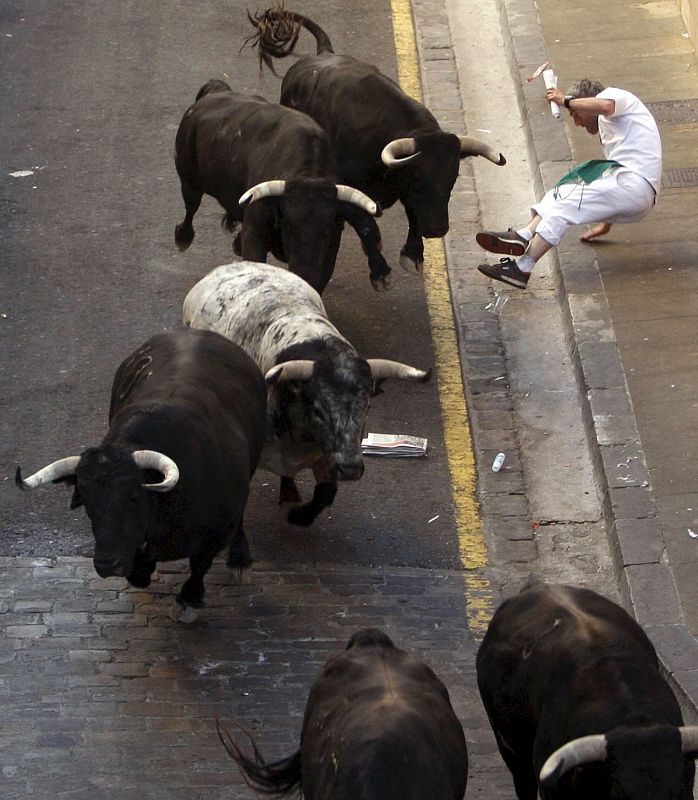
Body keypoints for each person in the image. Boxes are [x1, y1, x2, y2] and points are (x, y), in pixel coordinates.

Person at [476, 78, 662, 289]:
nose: (577, 123)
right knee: (561, 192)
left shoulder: (616, 97)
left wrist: (565, 100)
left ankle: (522, 268)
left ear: (586, 102)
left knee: (566, 206)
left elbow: (605, 106)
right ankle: (523, 235)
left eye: (576, 114)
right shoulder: (612, 128)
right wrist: (607, 220)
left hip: (635, 185)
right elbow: (612, 189)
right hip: (632, 190)